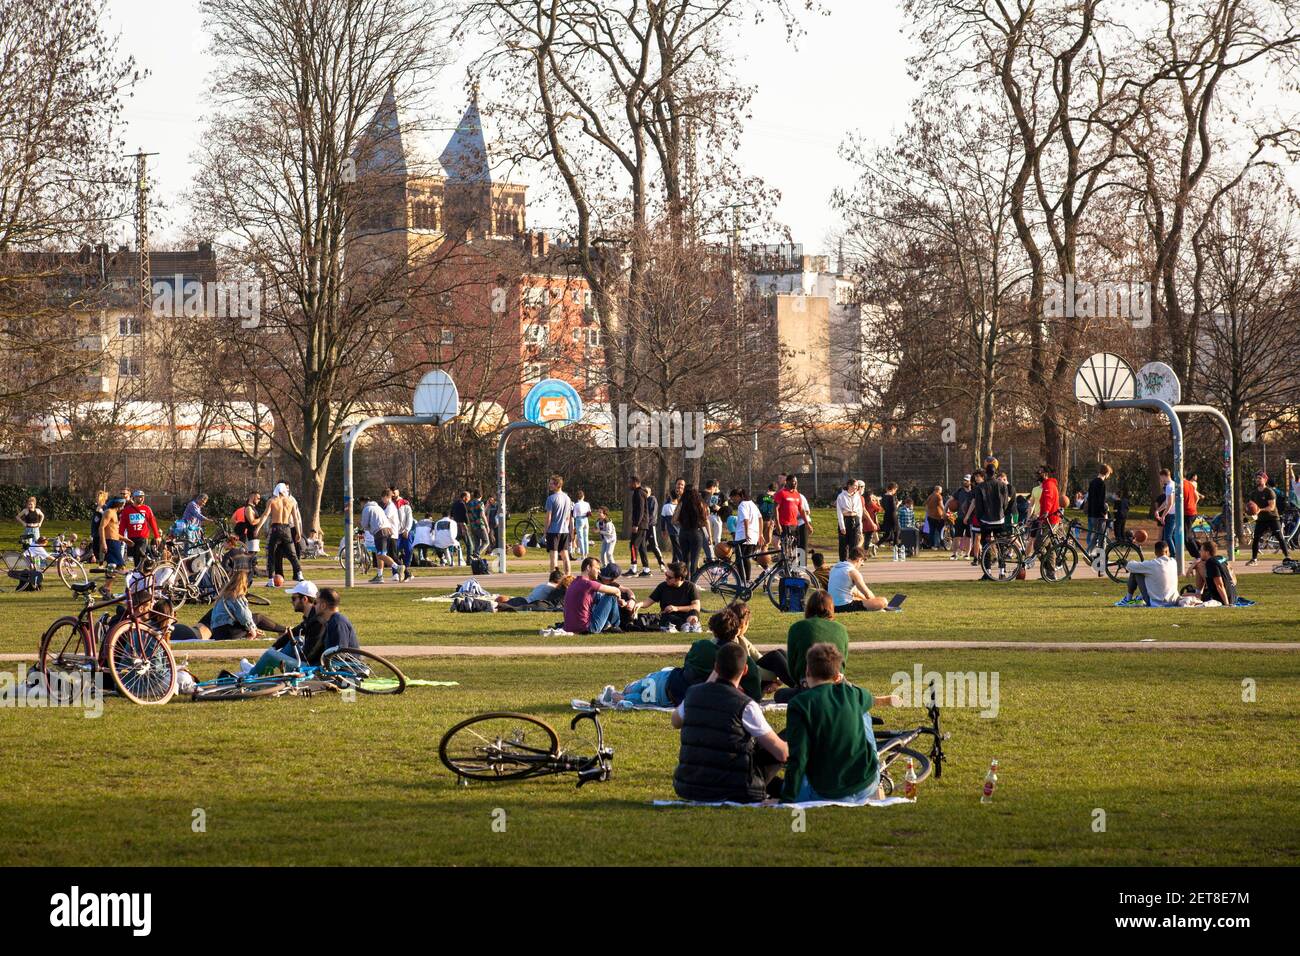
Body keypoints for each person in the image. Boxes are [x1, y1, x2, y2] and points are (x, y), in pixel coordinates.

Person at [781, 644, 902, 804]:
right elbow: (868, 698)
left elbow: (799, 756)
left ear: (807, 672)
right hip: (866, 784)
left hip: (824, 792)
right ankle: (875, 761)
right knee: (863, 713)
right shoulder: (852, 694)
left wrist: (787, 798)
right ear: (837, 675)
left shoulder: (800, 704)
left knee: (794, 782)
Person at [670, 642, 790, 803]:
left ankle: (782, 788)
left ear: (715, 667)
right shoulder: (745, 705)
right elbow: (780, 753)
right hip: (733, 788)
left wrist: (711, 678)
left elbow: (675, 721)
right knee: (785, 737)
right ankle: (791, 788)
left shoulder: (692, 694)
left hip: (689, 785)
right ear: (745, 670)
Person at [782, 591, 851, 698]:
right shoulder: (841, 629)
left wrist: (799, 681)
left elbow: (792, 665)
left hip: (809, 684)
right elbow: (843, 662)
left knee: (780, 694)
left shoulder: (797, 628)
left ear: (808, 607)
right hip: (835, 681)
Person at [250, 580, 323, 674]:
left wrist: (279, 658)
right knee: (296, 639)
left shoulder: (317, 621)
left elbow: (310, 654)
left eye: (294, 598)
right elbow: (293, 633)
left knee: (269, 655)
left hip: (310, 668)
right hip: (309, 664)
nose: (291, 602)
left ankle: (250, 675)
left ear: (304, 599)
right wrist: (274, 647)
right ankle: (258, 668)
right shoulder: (311, 617)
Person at [202, 571, 288, 641]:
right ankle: (284, 630)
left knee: (253, 620)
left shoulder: (222, 596)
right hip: (229, 632)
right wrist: (252, 630)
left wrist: (252, 628)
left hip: (217, 633)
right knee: (258, 617)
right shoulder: (235, 596)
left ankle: (282, 630)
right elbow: (244, 615)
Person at [562, 557, 626, 634]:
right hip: (588, 628)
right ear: (588, 567)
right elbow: (616, 590)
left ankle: (608, 625)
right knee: (611, 596)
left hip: (569, 627)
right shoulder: (589, 584)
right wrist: (619, 599)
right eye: (597, 568)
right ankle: (615, 625)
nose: (599, 571)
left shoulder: (574, 582)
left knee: (598, 597)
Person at [635, 561, 701, 631]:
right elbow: (648, 602)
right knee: (666, 617)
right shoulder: (662, 586)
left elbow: (696, 607)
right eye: (666, 575)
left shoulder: (690, 586)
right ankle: (686, 627)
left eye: (669, 577)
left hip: (686, 615)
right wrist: (639, 604)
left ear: (679, 578)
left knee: (693, 613)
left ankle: (690, 626)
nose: (666, 578)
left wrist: (676, 608)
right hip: (669, 617)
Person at [263, 482, 306, 586]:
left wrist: (259, 527)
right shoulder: (291, 501)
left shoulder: (272, 501)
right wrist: (299, 532)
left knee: (271, 554)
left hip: (275, 528)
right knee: (293, 554)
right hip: (287, 528)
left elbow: (265, 515)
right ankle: (300, 574)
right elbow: (296, 518)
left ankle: (270, 580)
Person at [1246, 471, 1290, 565]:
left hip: (1273, 518)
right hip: (1261, 520)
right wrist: (1248, 510)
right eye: (1257, 478)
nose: (1258, 480)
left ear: (1265, 480)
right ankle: (1254, 559)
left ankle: (1287, 557)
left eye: (1260, 478)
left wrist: (1259, 510)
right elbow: (1250, 505)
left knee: (1280, 537)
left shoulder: (1270, 492)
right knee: (1256, 538)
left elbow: (1272, 507)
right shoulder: (1254, 493)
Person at [827, 546, 889, 612]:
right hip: (845, 606)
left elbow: (856, 592)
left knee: (858, 598)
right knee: (883, 601)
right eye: (862, 561)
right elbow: (868, 594)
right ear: (859, 559)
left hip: (832, 606)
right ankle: (878, 608)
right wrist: (874, 602)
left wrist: (866, 600)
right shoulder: (852, 572)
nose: (862, 564)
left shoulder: (834, 568)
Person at [1117, 540, 1178, 607]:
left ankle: (1128, 600)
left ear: (1155, 553)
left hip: (1156, 603)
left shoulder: (1152, 564)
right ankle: (1139, 598)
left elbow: (1130, 566)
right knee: (1151, 576)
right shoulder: (1173, 562)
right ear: (1167, 552)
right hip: (1173, 601)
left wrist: (1126, 562)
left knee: (1136, 571)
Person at [673, 483, 710, 578]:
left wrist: (682, 522)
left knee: (685, 560)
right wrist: (709, 535)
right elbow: (706, 520)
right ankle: (693, 582)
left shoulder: (681, 503)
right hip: (696, 532)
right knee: (694, 560)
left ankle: (685, 580)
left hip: (683, 532)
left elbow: (673, 520)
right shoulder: (700, 503)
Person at [360, 493, 398, 583]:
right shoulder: (378, 507)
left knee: (381, 554)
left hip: (380, 532)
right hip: (388, 531)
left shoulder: (366, 509)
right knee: (379, 554)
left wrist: (366, 528)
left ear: (362, 503)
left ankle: (398, 567)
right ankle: (380, 575)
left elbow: (364, 524)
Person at [118, 489, 161, 569]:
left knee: (140, 552)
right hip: (131, 536)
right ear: (134, 498)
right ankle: (141, 568)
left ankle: (141, 570)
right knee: (135, 556)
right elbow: (122, 524)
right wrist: (120, 536)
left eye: (142, 497)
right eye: (139, 497)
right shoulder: (127, 510)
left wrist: (157, 536)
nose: (141, 499)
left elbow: (153, 522)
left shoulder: (147, 509)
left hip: (142, 536)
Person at [543, 475, 573, 575]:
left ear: (557, 485)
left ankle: (553, 579)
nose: (550, 485)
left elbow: (549, 517)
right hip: (564, 530)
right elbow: (568, 517)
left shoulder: (551, 499)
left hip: (553, 531)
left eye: (551, 483)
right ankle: (568, 576)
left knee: (554, 556)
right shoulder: (567, 498)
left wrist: (545, 531)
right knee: (565, 556)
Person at [496, 570, 568, 610]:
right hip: (524, 603)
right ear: (558, 580)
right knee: (502, 607)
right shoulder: (552, 588)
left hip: (521, 600)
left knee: (497, 606)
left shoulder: (543, 584)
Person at [1193, 540, 1237, 605]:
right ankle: (1199, 593)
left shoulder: (1211, 562)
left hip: (1220, 598)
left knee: (1184, 595)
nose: (1200, 552)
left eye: (1201, 550)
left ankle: (1198, 593)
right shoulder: (1221, 558)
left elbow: (1219, 585)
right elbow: (1232, 572)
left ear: (1207, 552)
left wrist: (1227, 604)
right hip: (1233, 596)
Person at [732, 487, 761, 582]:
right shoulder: (752, 504)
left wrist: (747, 533)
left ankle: (742, 581)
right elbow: (760, 518)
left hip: (743, 536)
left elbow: (746, 519)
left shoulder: (742, 505)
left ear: (738, 496)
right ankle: (747, 580)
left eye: (733, 498)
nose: (733, 501)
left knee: (739, 560)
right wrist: (760, 534)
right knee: (746, 558)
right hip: (753, 536)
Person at [835, 479, 863, 562]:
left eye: (857, 486)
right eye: (855, 486)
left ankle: (852, 562)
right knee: (843, 544)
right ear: (849, 486)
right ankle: (843, 562)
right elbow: (839, 512)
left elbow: (860, 512)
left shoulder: (858, 496)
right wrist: (842, 526)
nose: (856, 488)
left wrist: (860, 527)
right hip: (845, 519)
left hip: (855, 519)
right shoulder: (841, 496)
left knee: (854, 544)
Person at [1085, 464, 1110, 554]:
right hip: (1099, 515)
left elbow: (1090, 499)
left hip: (1091, 513)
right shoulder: (1101, 484)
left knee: (1095, 536)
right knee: (1102, 537)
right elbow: (1101, 501)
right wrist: (1105, 512)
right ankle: (1102, 558)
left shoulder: (1092, 482)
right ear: (1106, 473)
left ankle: (1088, 552)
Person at [1154, 467, 1177, 550]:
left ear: (1164, 476)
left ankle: (1173, 555)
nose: (1161, 480)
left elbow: (1170, 503)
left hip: (1171, 514)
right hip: (1173, 513)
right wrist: (1158, 510)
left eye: (1161, 477)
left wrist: (1163, 515)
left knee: (1167, 536)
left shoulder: (1169, 486)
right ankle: (1175, 554)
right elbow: (1166, 502)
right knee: (1172, 536)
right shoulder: (1174, 484)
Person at [88, 491, 108, 564]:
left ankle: (102, 562)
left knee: (101, 549)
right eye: (97, 496)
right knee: (95, 548)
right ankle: (99, 561)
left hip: (101, 532)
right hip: (95, 532)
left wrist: (101, 512)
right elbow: (94, 522)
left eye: (99, 497)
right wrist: (92, 533)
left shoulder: (105, 507)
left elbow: (107, 518)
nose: (97, 498)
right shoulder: (96, 507)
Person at [924, 485, 945, 550]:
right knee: (940, 531)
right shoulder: (939, 496)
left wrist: (928, 513)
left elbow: (926, 505)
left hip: (930, 516)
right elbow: (941, 505)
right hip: (938, 517)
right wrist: (946, 511)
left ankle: (932, 545)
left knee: (932, 531)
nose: (941, 492)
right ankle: (940, 545)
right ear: (938, 490)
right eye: (941, 490)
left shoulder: (930, 496)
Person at [878, 482, 898, 549]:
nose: (895, 492)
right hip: (893, 516)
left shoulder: (883, 496)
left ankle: (876, 545)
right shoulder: (891, 497)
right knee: (897, 531)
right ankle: (895, 547)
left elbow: (883, 507)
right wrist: (898, 504)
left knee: (888, 534)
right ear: (893, 489)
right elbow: (894, 508)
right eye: (895, 490)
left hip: (886, 515)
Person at [572, 489, 592, 557]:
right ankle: (586, 553)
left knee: (580, 537)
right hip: (586, 519)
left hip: (579, 519)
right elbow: (589, 512)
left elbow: (574, 515)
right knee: (586, 537)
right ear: (583, 496)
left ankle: (583, 554)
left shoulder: (576, 504)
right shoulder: (587, 504)